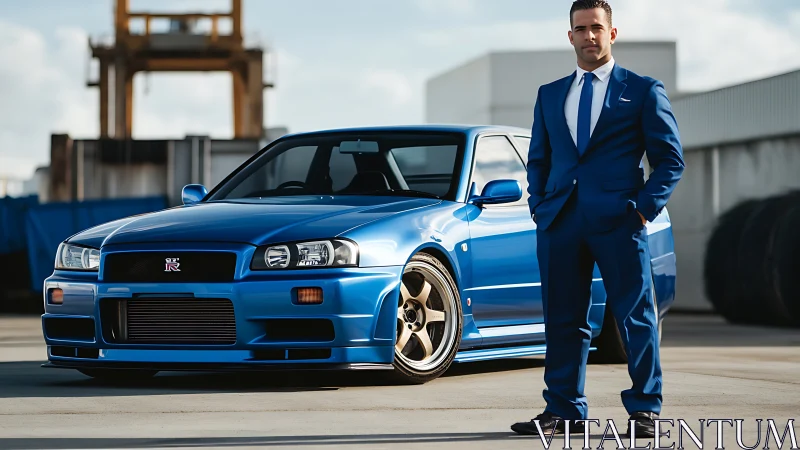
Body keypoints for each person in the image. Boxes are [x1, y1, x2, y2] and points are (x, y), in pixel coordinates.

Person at [510, 0, 685, 439]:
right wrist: (540, 205)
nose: (589, 36)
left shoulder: (643, 90)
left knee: (636, 316)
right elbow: (539, 159)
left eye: (597, 28)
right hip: (560, 222)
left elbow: (670, 160)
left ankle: (645, 409)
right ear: (569, 36)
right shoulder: (549, 94)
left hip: (620, 222)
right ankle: (564, 410)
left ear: (612, 33)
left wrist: (643, 208)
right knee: (564, 319)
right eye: (581, 29)